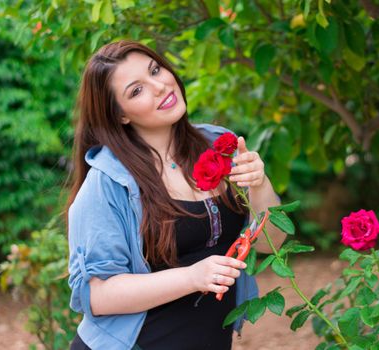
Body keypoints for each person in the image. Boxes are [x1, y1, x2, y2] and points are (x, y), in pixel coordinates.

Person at [66, 40, 286, 350]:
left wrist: (260, 184)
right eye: (136, 90)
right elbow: (97, 295)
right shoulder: (107, 183)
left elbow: (271, 244)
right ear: (120, 116)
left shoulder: (217, 144)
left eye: (155, 70)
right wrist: (192, 277)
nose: (159, 86)